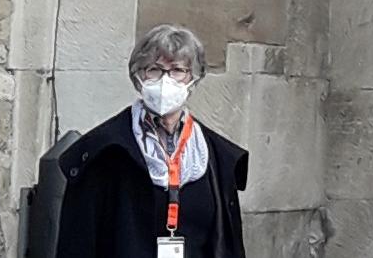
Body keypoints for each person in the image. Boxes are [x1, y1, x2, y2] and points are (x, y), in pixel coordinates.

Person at [57, 24, 250, 258]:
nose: (166, 80)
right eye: (155, 70)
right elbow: (78, 242)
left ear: (193, 80)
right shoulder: (105, 151)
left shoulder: (215, 157)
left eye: (178, 70)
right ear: (139, 77)